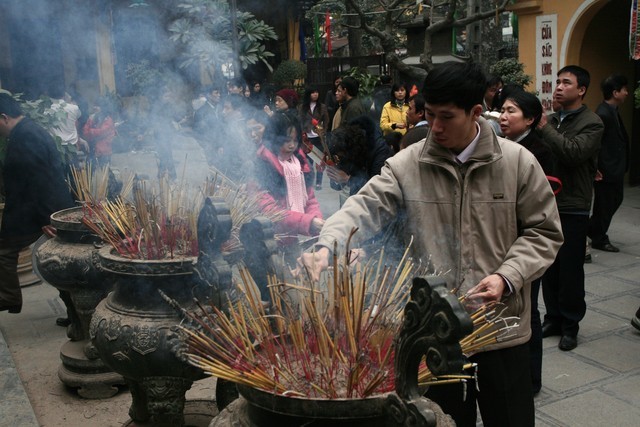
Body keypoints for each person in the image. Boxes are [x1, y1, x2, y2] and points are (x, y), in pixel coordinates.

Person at [299, 62, 563, 426]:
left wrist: (507, 276)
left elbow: (544, 232)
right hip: (433, 332)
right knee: (441, 420)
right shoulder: (408, 164)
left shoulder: (517, 163)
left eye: (446, 117)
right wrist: (328, 245)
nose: (434, 127)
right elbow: (364, 205)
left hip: (500, 326)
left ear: (475, 112)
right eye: (430, 115)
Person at [538, 65, 604, 352]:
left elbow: (574, 153)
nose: (559, 87)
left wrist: (545, 129)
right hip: (546, 202)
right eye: (557, 81)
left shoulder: (592, 122)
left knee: (570, 270)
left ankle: (570, 325)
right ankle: (552, 317)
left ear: (581, 90)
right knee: (548, 266)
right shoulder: (553, 119)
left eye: (567, 82)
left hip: (574, 204)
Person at [499, 89, 555, 395]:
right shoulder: (501, 147)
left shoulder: (539, 152)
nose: (504, 117)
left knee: (528, 310)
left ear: (530, 119)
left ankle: (531, 379)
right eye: (503, 111)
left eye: (512, 112)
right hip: (503, 240)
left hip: (526, 242)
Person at [0, 93, 75, 314]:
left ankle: (9, 297)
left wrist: (47, 218)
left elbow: (40, 179)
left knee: (6, 251)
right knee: (57, 262)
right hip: (34, 210)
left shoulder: (27, 136)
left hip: (38, 211)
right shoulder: (26, 131)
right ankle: (75, 314)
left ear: (4, 117)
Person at [253, 111, 324, 271]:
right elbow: (271, 212)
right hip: (268, 245)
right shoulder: (261, 168)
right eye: (286, 140)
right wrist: (308, 222)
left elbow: (310, 199)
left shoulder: (299, 163)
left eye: (295, 140)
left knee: (302, 286)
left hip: (293, 241)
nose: (292, 145)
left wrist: (316, 219)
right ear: (272, 138)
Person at [588, 74, 630, 253]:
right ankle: (598, 237)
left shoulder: (612, 110)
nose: (627, 93)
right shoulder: (603, 113)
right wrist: (597, 167)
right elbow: (596, 144)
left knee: (613, 200)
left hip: (615, 167)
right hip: (607, 169)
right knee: (605, 204)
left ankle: (593, 230)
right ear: (615, 92)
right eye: (624, 90)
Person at [326, 115, 392, 201]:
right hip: (355, 199)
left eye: (341, 155)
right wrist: (335, 176)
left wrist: (348, 179)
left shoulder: (380, 150)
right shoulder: (346, 148)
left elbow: (376, 188)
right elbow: (337, 185)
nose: (341, 157)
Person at [298, 86, 330, 190]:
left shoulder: (322, 107)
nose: (315, 94)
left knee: (319, 160)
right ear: (308, 94)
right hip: (307, 137)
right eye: (313, 92)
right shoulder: (302, 107)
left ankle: (319, 182)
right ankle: (309, 182)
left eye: (317, 92)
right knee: (308, 161)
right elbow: (300, 120)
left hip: (318, 136)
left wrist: (324, 131)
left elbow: (326, 120)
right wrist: (302, 131)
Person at [82, 97, 117, 167]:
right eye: (94, 105)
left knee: (104, 173)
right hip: (92, 150)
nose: (94, 107)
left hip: (104, 152)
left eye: (97, 106)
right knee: (90, 172)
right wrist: (90, 123)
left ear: (103, 108)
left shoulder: (108, 120)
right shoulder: (92, 118)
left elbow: (102, 132)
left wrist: (91, 131)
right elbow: (85, 132)